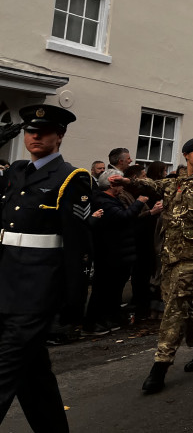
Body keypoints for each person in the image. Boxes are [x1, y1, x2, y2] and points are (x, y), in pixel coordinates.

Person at [0, 104, 91, 433]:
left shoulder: (72, 178)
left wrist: (73, 300)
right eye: (30, 131)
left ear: (59, 136)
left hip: (37, 291)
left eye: (44, 131)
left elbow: (77, 246)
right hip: (6, 283)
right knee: (32, 375)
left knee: (5, 367)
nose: (35, 135)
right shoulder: (16, 172)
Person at [135, 137, 193, 394]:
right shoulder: (174, 182)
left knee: (175, 305)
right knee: (176, 303)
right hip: (170, 254)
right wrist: (126, 180)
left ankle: (160, 365)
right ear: (186, 155)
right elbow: (152, 183)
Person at [85, 174, 148, 334]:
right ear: (113, 185)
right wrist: (139, 203)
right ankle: (93, 323)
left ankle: (109, 318)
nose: (122, 188)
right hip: (109, 252)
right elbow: (123, 218)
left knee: (114, 289)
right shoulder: (103, 201)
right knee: (103, 289)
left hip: (119, 251)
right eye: (120, 184)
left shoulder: (111, 200)